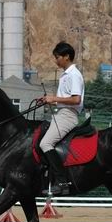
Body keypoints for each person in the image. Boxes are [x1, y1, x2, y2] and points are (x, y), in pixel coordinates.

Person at [38, 41, 85, 196]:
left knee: (45, 143)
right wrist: (48, 99)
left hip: (68, 115)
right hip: (60, 114)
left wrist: (54, 99)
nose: (55, 60)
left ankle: (62, 182)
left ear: (66, 57)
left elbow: (76, 100)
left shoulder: (74, 75)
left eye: (57, 57)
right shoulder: (66, 75)